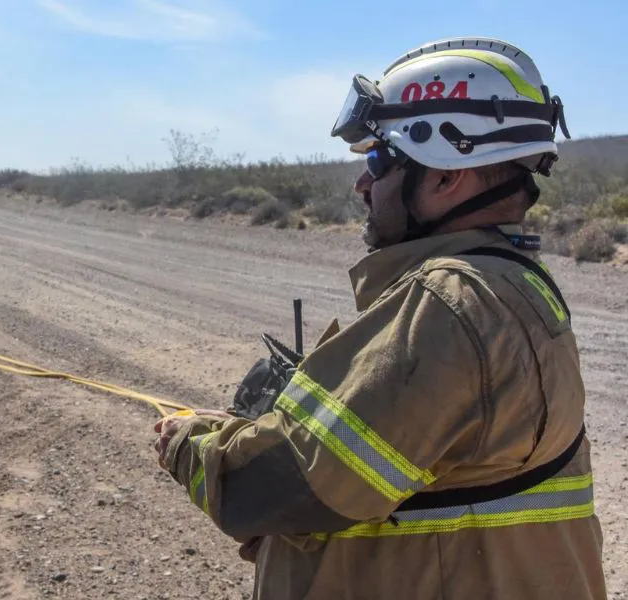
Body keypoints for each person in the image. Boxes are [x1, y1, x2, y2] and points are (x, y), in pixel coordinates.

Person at [152, 37, 607, 599]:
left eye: (378, 161)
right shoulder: (513, 285)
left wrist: (190, 441)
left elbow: (282, 486)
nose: (362, 184)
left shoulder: (450, 305)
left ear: (446, 176)